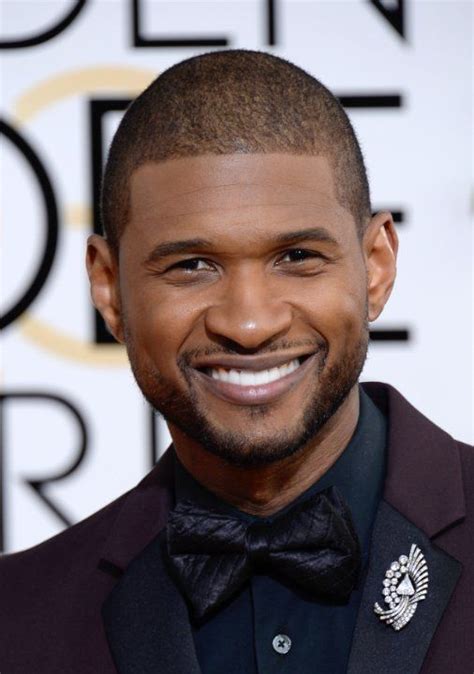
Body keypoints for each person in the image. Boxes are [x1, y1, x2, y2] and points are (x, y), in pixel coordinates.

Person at [0, 50, 472, 674]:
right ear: (110, 289)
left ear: (376, 266)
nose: (249, 324)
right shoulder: (17, 618)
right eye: (192, 266)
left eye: (298, 256)